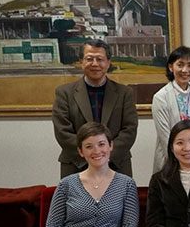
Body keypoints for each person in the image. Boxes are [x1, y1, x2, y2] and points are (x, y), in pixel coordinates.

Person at [52, 39, 138, 178]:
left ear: (108, 63)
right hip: (76, 166)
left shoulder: (124, 93)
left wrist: (104, 155)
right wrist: (91, 154)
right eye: (89, 59)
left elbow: (129, 130)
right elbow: (63, 132)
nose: (95, 64)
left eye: (100, 59)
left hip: (116, 164)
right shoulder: (64, 93)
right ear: (81, 62)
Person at [46, 122, 139, 227]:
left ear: (110, 146)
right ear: (81, 151)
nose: (96, 151)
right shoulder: (66, 184)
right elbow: (53, 226)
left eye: (101, 144)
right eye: (89, 146)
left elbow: (129, 226)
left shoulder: (127, 184)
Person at [152, 46, 190, 173]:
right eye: (180, 65)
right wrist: (181, 162)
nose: (185, 70)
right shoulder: (161, 97)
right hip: (169, 162)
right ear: (171, 67)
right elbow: (165, 137)